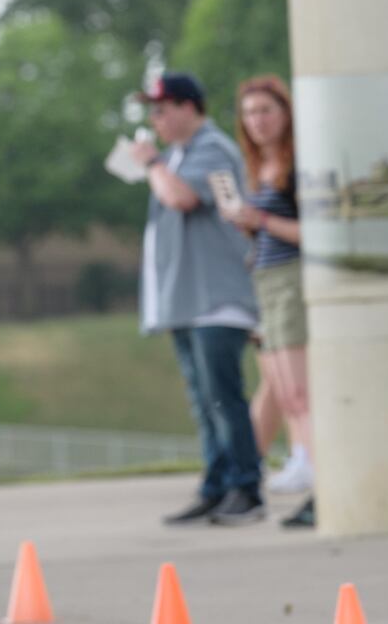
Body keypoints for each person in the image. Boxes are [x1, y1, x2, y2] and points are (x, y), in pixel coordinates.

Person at [131, 73, 265, 526]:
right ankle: (217, 486)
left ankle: (246, 488)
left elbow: (181, 198)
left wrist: (151, 163)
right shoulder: (179, 154)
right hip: (188, 298)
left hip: (216, 299)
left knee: (223, 398)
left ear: (189, 107)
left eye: (162, 109)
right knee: (205, 402)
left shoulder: (212, 148)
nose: (156, 119)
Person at [226, 75, 314, 529]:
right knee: (281, 386)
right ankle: (300, 456)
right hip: (265, 278)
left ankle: (312, 464)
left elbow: (312, 232)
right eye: (249, 113)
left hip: (292, 277)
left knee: (299, 387)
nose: (257, 121)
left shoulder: (299, 165)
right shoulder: (258, 165)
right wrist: (247, 223)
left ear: (285, 113)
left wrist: (260, 219)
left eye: (266, 111)